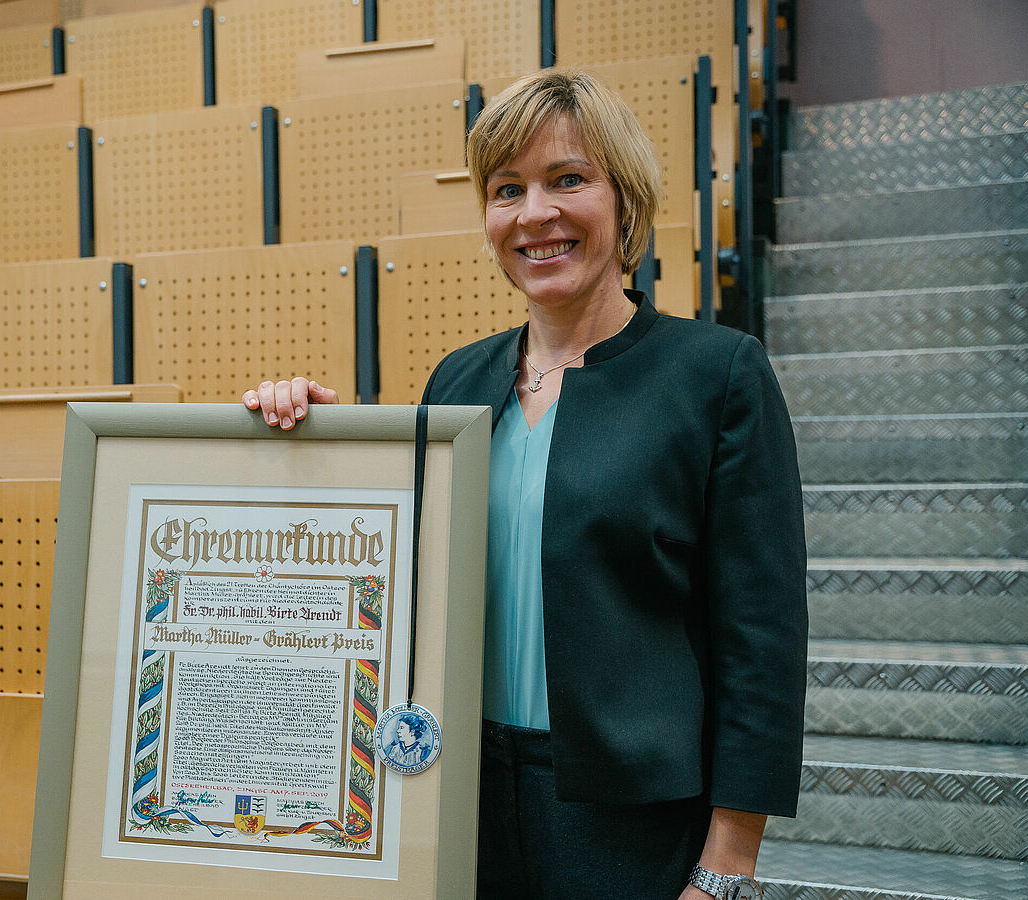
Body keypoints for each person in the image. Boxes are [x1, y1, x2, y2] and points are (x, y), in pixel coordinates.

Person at [244, 68, 807, 900]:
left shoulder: (716, 375)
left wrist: (728, 866)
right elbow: (398, 582)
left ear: (625, 201)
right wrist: (300, 439)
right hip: (454, 792)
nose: (535, 213)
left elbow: (761, 637)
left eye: (568, 179)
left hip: (629, 819)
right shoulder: (457, 379)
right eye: (507, 190)